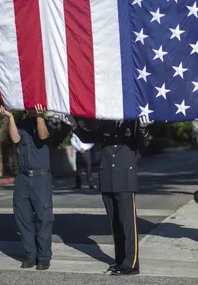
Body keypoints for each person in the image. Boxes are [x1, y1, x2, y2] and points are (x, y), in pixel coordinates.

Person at [62, 115, 151, 276]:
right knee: (115, 223)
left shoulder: (133, 121)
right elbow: (87, 136)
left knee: (128, 224)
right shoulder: (105, 122)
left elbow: (143, 146)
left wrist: (144, 129)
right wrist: (74, 125)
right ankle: (119, 260)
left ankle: (131, 264)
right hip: (107, 178)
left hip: (125, 179)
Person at [0, 104, 55, 271]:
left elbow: (43, 135)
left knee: (43, 218)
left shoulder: (47, 123)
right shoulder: (21, 125)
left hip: (41, 178)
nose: (31, 108)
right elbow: (15, 139)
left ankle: (44, 257)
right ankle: (30, 255)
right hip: (23, 177)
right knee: (23, 217)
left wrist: (39, 115)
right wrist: (10, 117)